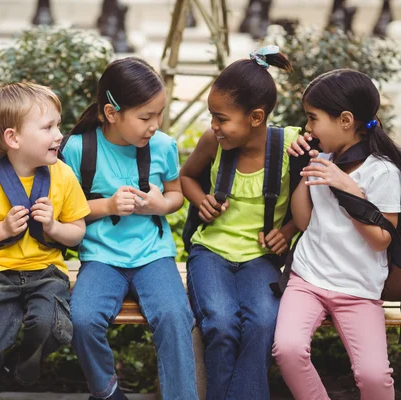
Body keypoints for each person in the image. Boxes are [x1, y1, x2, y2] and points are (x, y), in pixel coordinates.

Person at [62, 57, 198, 400]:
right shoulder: (79, 149)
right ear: (111, 113)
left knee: (174, 316)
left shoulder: (162, 147)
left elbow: (176, 194)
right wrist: (107, 205)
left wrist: (160, 205)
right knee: (82, 319)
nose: (154, 125)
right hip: (101, 258)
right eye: (145, 117)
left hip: (153, 256)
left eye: (159, 114)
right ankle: (107, 393)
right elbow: (67, 213)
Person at [0, 82, 90, 400]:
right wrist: (1, 230)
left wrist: (53, 226)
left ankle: (14, 372)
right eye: (48, 127)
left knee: (53, 326)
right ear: (13, 138)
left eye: (58, 125)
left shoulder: (62, 176)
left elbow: (78, 230)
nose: (59, 135)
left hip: (47, 271)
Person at [272, 69, 400, 399]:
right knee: (287, 350)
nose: (308, 128)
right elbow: (303, 222)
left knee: (374, 377)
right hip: (308, 278)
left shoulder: (383, 171)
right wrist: (303, 168)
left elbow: (381, 239)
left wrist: (347, 189)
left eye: (313, 118)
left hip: (358, 287)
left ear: (345, 120)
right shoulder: (325, 158)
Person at [180, 46, 298, 399]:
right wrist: (201, 202)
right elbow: (186, 176)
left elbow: (315, 196)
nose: (214, 126)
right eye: (211, 117)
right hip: (211, 252)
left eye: (221, 118)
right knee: (219, 321)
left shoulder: (290, 146)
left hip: (260, 258)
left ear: (256, 117)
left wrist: (288, 231)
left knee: (263, 323)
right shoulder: (212, 142)